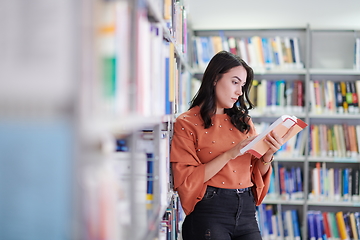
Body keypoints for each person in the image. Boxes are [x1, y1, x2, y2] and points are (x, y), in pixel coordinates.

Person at [170, 51, 289, 240]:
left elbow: (254, 172)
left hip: (247, 212)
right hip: (210, 212)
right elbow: (186, 180)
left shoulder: (243, 121)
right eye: (235, 82)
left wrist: (268, 156)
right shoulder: (186, 123)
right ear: (215, 79)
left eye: (242, 85)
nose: (239, 92)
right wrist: (230, 153)